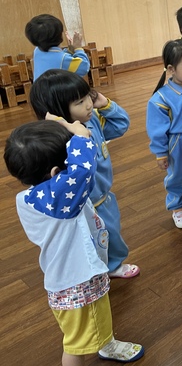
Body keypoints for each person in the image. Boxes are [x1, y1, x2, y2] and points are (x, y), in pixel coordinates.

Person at [3, 119, 144, 365]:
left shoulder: (30, 197)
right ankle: (104, 345)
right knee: (75, 345)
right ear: (56, 174)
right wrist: (80, 136)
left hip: (73, 278)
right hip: (80, 283)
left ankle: (106, 343)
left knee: (95, 322)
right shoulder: (59, 200)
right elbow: (82, 171)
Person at [30, 69, 139, 279]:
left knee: (111, 234)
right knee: (89, 242)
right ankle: (94, 273)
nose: (89, 104)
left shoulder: (93, 120)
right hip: (82, 206)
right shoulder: (59, 140)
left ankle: (113, 266)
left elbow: (121, 125)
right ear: (58, 111)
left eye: (87, 97)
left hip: (104, 198)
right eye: (79, 102)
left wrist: (105, 104)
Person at [146, 39, 182, 228]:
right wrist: (160, 153)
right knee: (179, 175)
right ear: (171, 69)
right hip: (179, 143)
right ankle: (177, 208)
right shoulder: (161, 98)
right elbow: (157, 129)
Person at [25, 14, 90, 81]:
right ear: (60, 37)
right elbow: (84, 67)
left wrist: (71, 49)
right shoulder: (63, 60)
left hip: (39, 87)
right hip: (57, 88)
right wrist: (78, 48)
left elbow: (55, 57)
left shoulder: (37, 51)